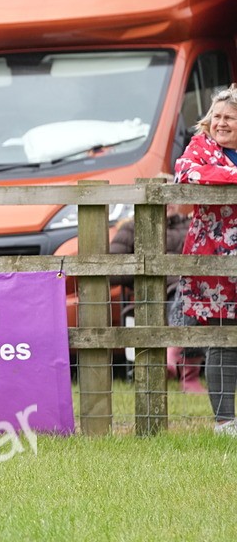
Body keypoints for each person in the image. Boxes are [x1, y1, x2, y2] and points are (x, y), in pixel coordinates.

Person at [172, 84, 237, 432]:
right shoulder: (200, 147)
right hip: (213, 262)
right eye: (216, 117)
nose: (221, 123)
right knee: (223, 339)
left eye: (229, 117)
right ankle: (225, 421)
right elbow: (187, 174)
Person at [108, 201, 204, 393]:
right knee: (186, 296)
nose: (169, 204)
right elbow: (111, 271)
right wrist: (149, 272)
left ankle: (180, 367)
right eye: (163, 198)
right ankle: (186, 374)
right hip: (150, 297)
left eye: (173, 198)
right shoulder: (132, 227)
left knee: (192, 293)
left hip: (193, 291)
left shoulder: (192, 225)